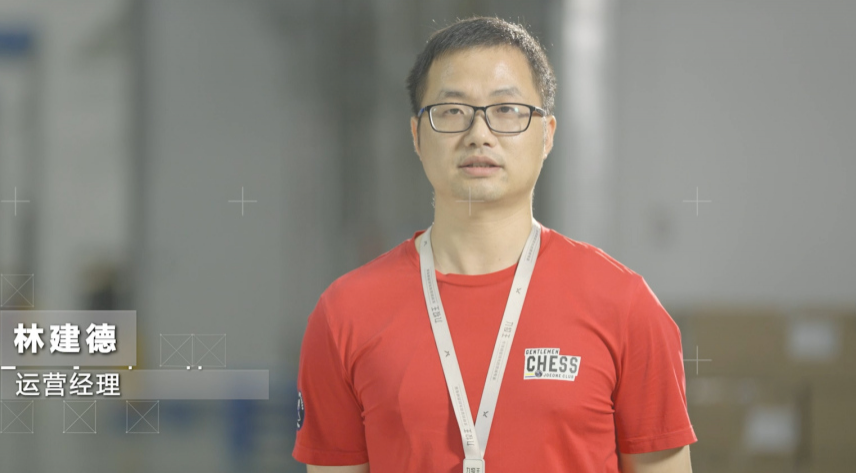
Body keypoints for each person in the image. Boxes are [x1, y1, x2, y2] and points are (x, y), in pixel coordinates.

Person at [293, 16, 696, 473]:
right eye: (452, 111)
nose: (479, 134)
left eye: (506, 109)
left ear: (547, 134)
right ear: (417, 136)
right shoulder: (345, 314)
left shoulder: (625, 307)